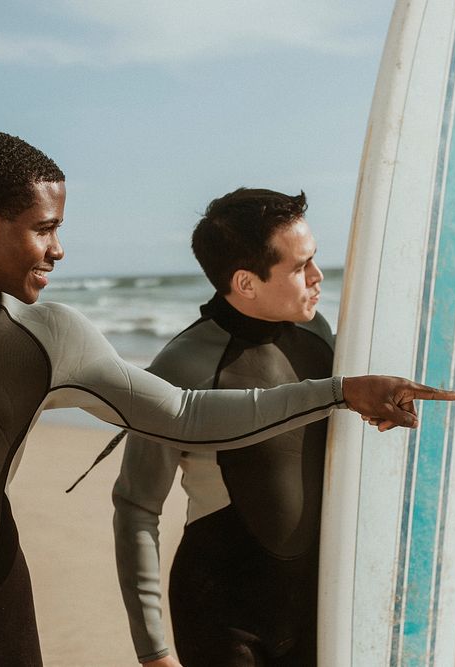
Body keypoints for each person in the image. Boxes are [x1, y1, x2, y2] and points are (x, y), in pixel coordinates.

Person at [0, 133, 455, 665]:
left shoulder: (50, 336)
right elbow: (138, 504)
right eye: (45, 229)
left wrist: (349, 389)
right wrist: (152, 648)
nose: (59, 249)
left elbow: (183, 413)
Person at [111, 188, 335, 666]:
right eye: (300, 267)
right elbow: (136, 506)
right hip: (222, 615)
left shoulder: (319, 336)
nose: (318, 276)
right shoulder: (181, 367)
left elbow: (390, 385)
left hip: (315, 608)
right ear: (246, 283)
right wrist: (152, 650)